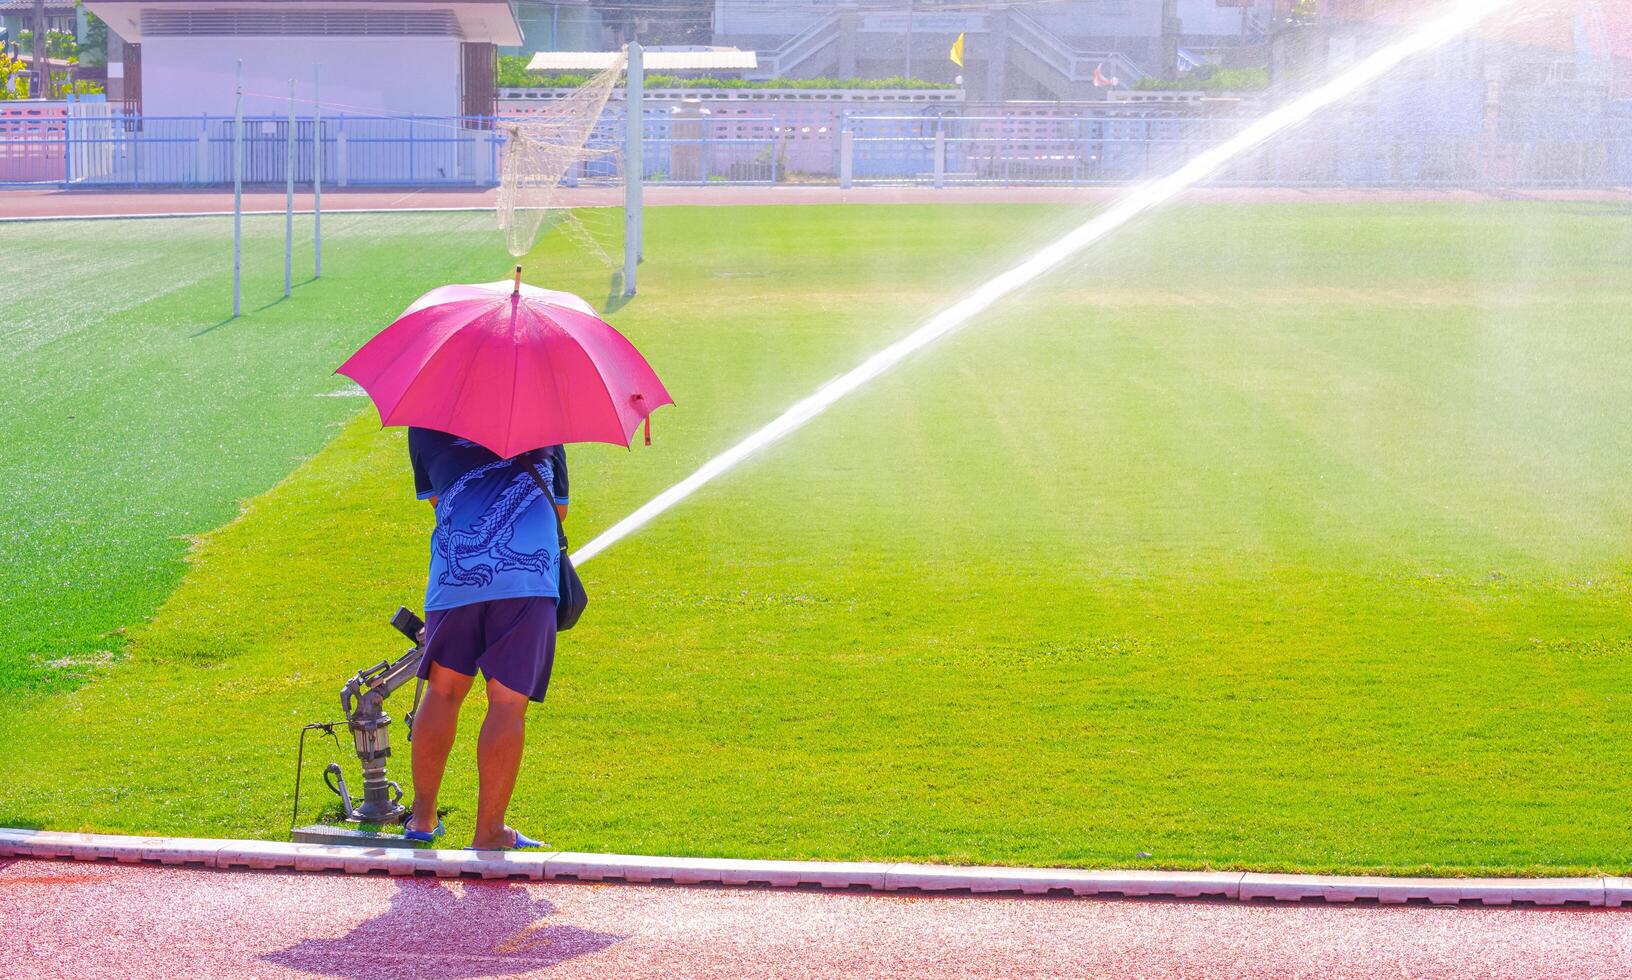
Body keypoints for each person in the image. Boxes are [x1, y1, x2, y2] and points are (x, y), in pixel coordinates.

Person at [401, 427, 569, 850]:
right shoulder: (547, 416)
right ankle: (489, 831)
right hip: (527, 582)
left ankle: (422, 820)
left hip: (454, 579)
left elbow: (436, 500)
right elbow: (560, 511)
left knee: (441, 693)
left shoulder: (423, 420)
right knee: (507, 703)